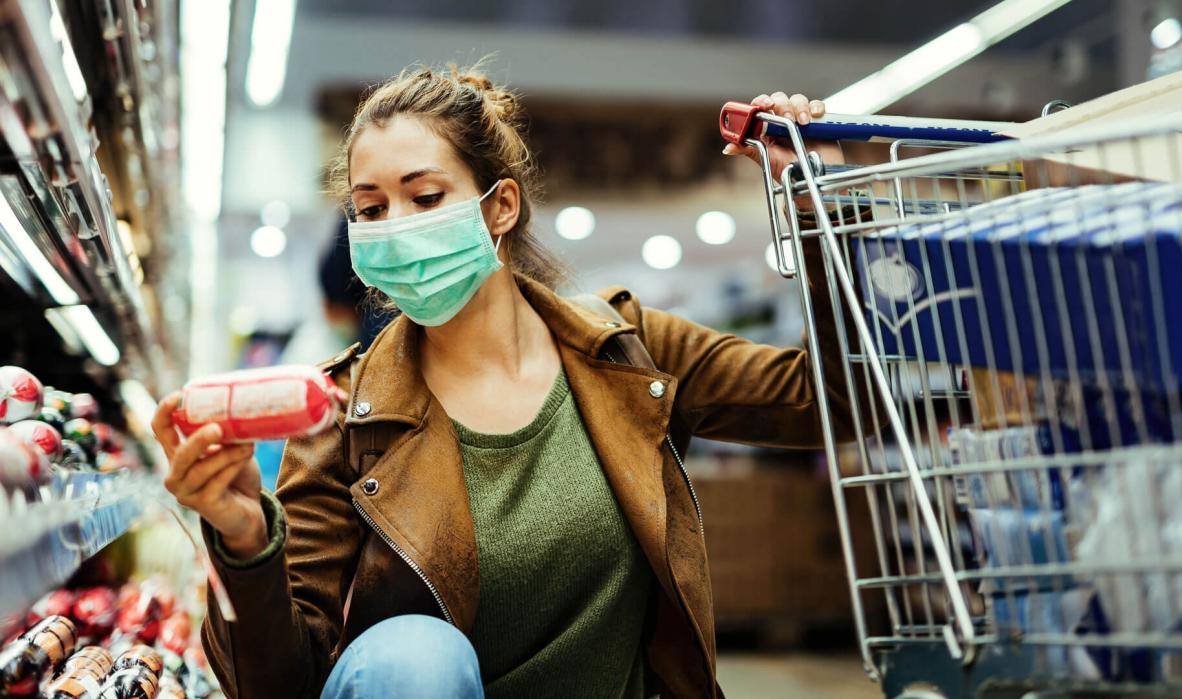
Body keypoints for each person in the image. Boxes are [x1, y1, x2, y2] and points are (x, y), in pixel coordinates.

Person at [151, 64, 854, 699]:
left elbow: (838, 399)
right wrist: (246, 541)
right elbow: (278, 686)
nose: (394, 228)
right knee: (412, 658)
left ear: (501, 207)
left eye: (425, 197)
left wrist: (824, 208)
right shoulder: (342, 418)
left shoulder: (626, 352)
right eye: (370, 209)